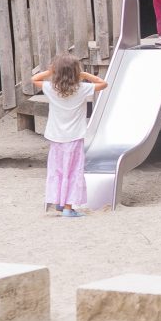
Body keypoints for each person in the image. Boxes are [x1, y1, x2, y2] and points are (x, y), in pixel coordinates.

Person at [29, 52, 107, 217]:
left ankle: (59, 202)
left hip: (56, 137)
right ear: (75, 72)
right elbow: (103, 84)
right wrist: (85, 74)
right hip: (74, 137)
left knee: (57, 170)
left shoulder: (51, 88)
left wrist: (50, 72)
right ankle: (68, 208)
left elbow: (34, 79)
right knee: (72, 171)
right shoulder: (82, 88)